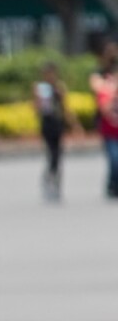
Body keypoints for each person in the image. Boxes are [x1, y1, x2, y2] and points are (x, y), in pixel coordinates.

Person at [33, 61, 82, 203]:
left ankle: (56, 182)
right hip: (46, 123)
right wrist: (40, 100)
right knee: (51, 153)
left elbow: (65, 108)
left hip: (57, 123)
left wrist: (75, 125)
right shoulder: (40, 88)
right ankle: (49, 178)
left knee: (58, 154)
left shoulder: (59, 87)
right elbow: (36, 108)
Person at [88, 41, 118, 199]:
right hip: (108, 123)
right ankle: (112, 185)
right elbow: (98, 89)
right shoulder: (99, 73)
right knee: (114, 156)